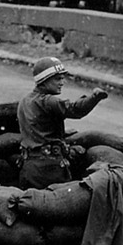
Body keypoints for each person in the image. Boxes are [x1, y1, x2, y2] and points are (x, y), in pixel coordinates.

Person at [17, 57, 108, 189]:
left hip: (28, 167)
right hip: (49, 169)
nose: (62, 82)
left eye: (62, 78)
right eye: (57, 79)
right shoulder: (48, 101)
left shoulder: (25, 100)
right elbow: (75, 109)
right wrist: (94, 98)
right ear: (44, 80)